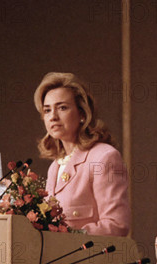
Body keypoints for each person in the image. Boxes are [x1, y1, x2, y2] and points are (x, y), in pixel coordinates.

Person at [34, 72, 130, 236]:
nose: (53, 117)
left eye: (62, 107)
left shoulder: (103, 157)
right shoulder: (55, 166)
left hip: (92, 259)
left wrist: (67, 236)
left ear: (82, 114)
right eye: (47, 110)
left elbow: (117, 225)